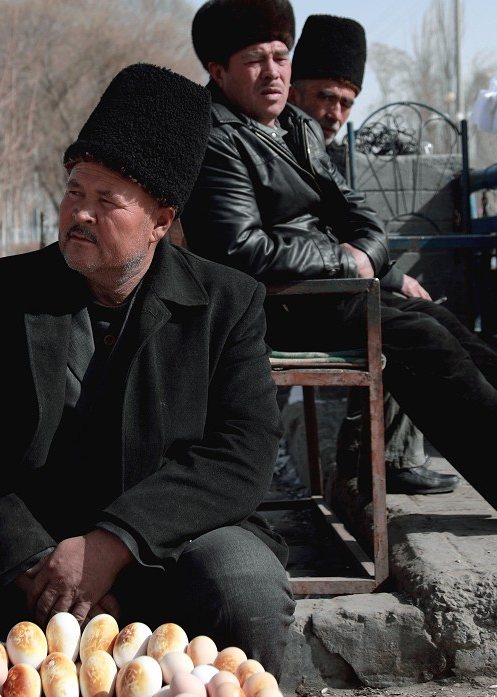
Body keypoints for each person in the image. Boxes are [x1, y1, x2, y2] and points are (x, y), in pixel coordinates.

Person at [0, 63, 294, 697]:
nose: (81, 212)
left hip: (168, 552)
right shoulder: (0, 295)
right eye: (75, 189)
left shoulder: (228, 304)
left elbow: (243, 452)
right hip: (25, 565)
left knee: (244, 582)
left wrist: (113, 543)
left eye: (108, 198)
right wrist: (37, 559)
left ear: (160, 219)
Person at [180, 0, 497, 515]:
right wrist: (346, 262)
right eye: (255, 60)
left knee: (440, 321)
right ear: (219, 71)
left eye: (281, 57)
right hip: (273, 308)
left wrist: (370, 260)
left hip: (326, 296)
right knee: (425, 340)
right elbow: (241, 249)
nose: (273, 73)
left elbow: (361, 218)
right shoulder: (217, 138)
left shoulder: (296, 128)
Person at [288, 13, 459, 495]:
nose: (336, 113)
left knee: (416, 308)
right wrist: (377, 271)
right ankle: (384, 458)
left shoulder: (322, 152)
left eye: (346, 103)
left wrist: (394, 273)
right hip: (291, 299)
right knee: (408, 325)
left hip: (332, 285)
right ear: (295, 89)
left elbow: (357, 231)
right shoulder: (282, 146)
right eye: (325, 97)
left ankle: (378, 455)